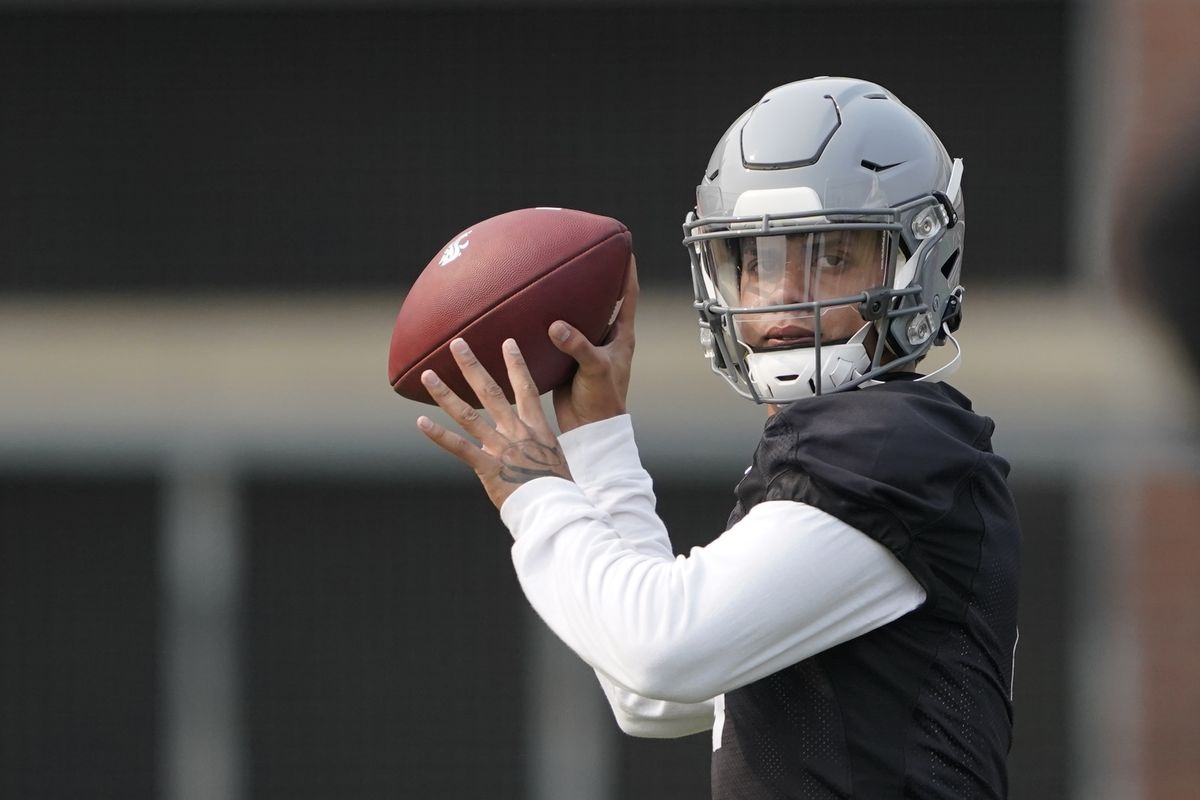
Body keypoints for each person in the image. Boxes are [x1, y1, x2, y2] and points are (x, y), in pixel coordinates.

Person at [415, 77, 1021, 799]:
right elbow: (652, 698)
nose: (785, 295)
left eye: (830, 257)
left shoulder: (892, 445)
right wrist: (597, 437)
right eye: (758, 260)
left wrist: (537, 496)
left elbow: (663, 652)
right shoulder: (868, 446)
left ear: (921, 256)